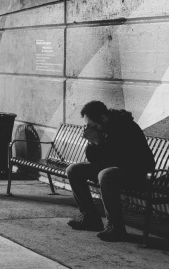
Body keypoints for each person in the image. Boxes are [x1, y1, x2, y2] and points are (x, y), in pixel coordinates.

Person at [65, 100, 155, 241]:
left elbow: (117, 160)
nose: (89, 128)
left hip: (137, 173)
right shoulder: (104, 128)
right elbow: (97, 160)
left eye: (92, 125)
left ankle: (115, 227)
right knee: (74, 170)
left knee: (105, 175)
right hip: (115, 169)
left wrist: (98, 142)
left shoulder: (125, 127)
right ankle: (89, 217)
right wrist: (92, 143)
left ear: (103, 118)